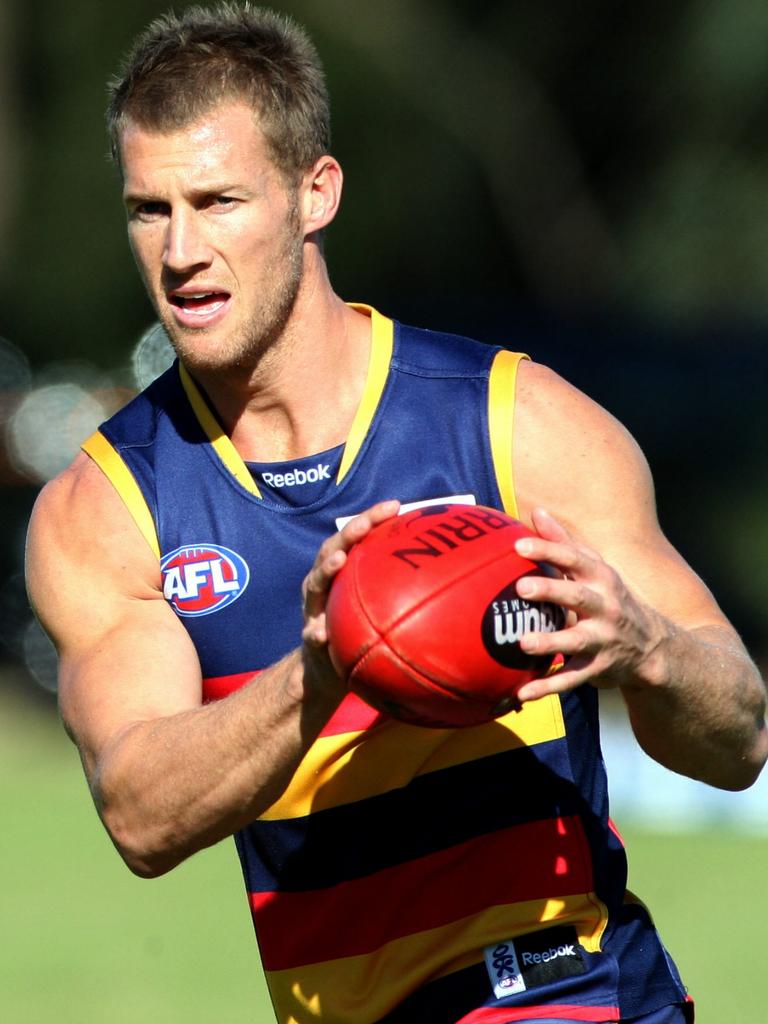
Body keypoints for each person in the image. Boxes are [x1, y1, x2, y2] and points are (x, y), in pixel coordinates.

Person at [25, 5, 766, 1023]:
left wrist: (648, 647)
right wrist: (323, 667)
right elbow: (141, 813)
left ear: (313, 193)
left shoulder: (518, 426)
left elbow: (742, 737)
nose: (182, 250)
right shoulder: (108, 508)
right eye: (150, 209)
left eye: (219, 200)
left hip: (577, 986)